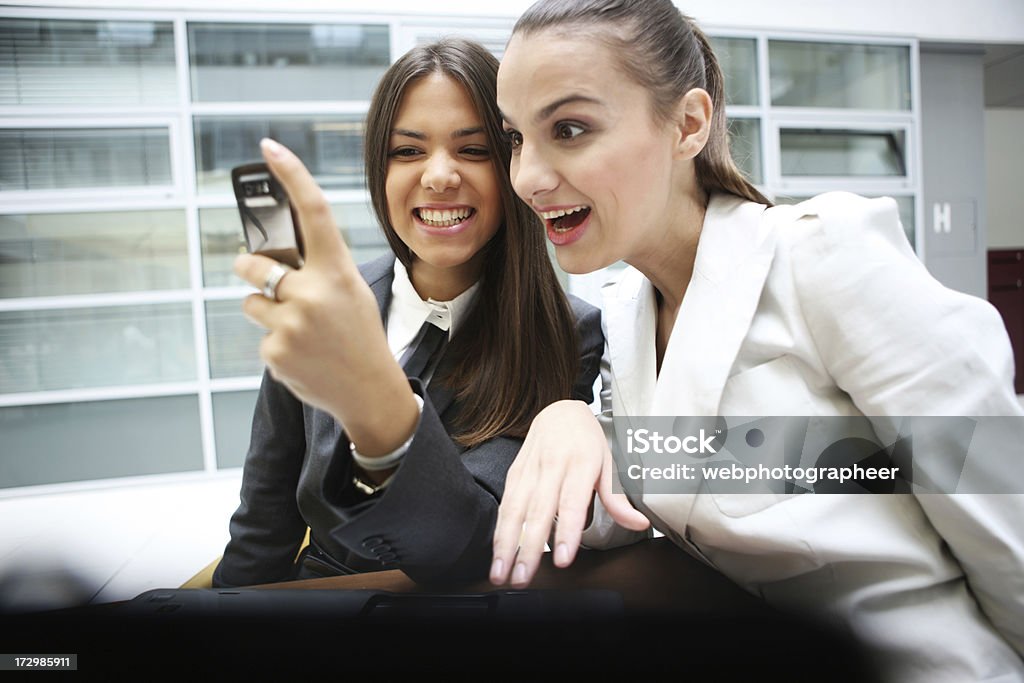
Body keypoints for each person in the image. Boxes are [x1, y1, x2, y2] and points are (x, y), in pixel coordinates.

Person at [488, 1, 1024, 680]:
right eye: (515, 138)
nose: (528, 176)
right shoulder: (626, 316)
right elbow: (627, 509)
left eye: (568, 128)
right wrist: (569, 421)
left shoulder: (822, 258)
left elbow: (1005, 512)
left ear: (687, 125)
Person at [213, 38, 602, 586]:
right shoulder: (326, 306)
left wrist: (374, 398)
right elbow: (263, 521)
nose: (439, 176)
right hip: (316, 604)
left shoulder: (568, 331)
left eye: (472, 150)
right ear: (380, 168)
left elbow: (477, 541)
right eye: (408, 151)